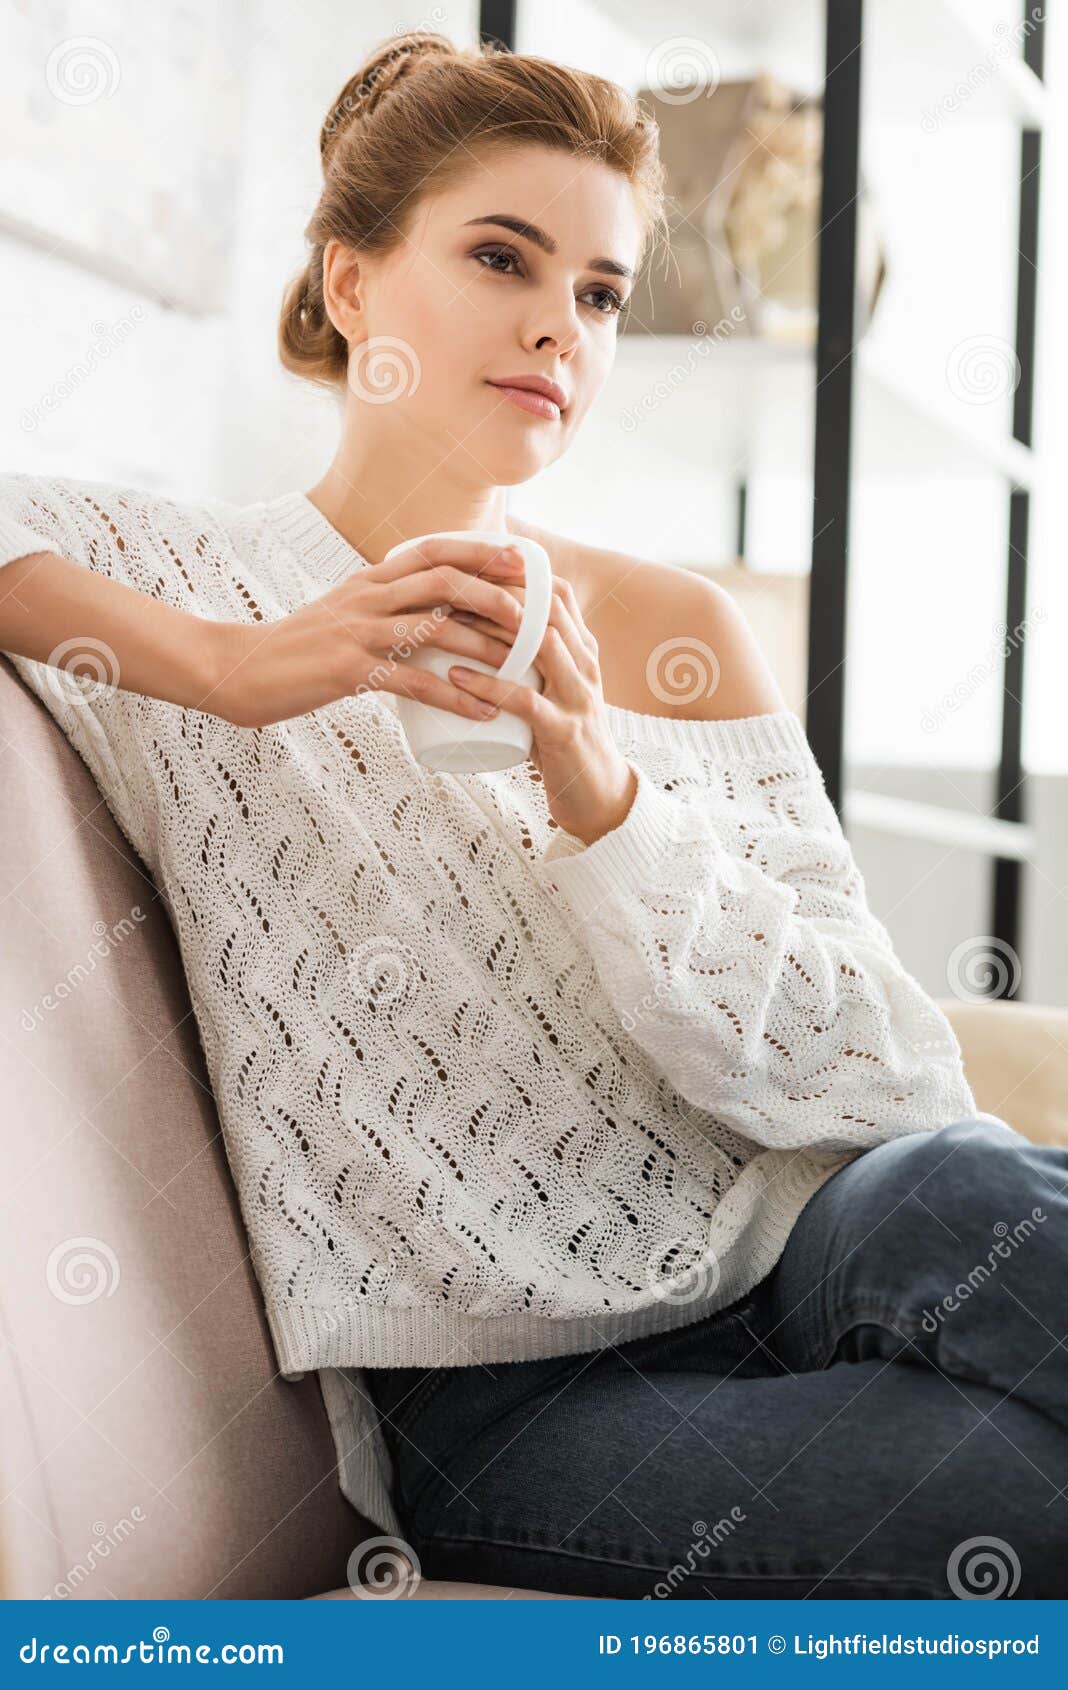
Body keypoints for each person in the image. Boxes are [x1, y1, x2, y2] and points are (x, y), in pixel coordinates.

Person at [1, 31, 1064, 1601]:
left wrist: (609, 801)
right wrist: (234, 663)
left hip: (803, 1240)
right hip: (513, 1400)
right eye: (504, 256)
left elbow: (882, 1064)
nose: (558, 326)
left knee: (966, 1186)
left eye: (602, 291)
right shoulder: (181, 581)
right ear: (350, 283)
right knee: (1024, 1494)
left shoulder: (672, 630)